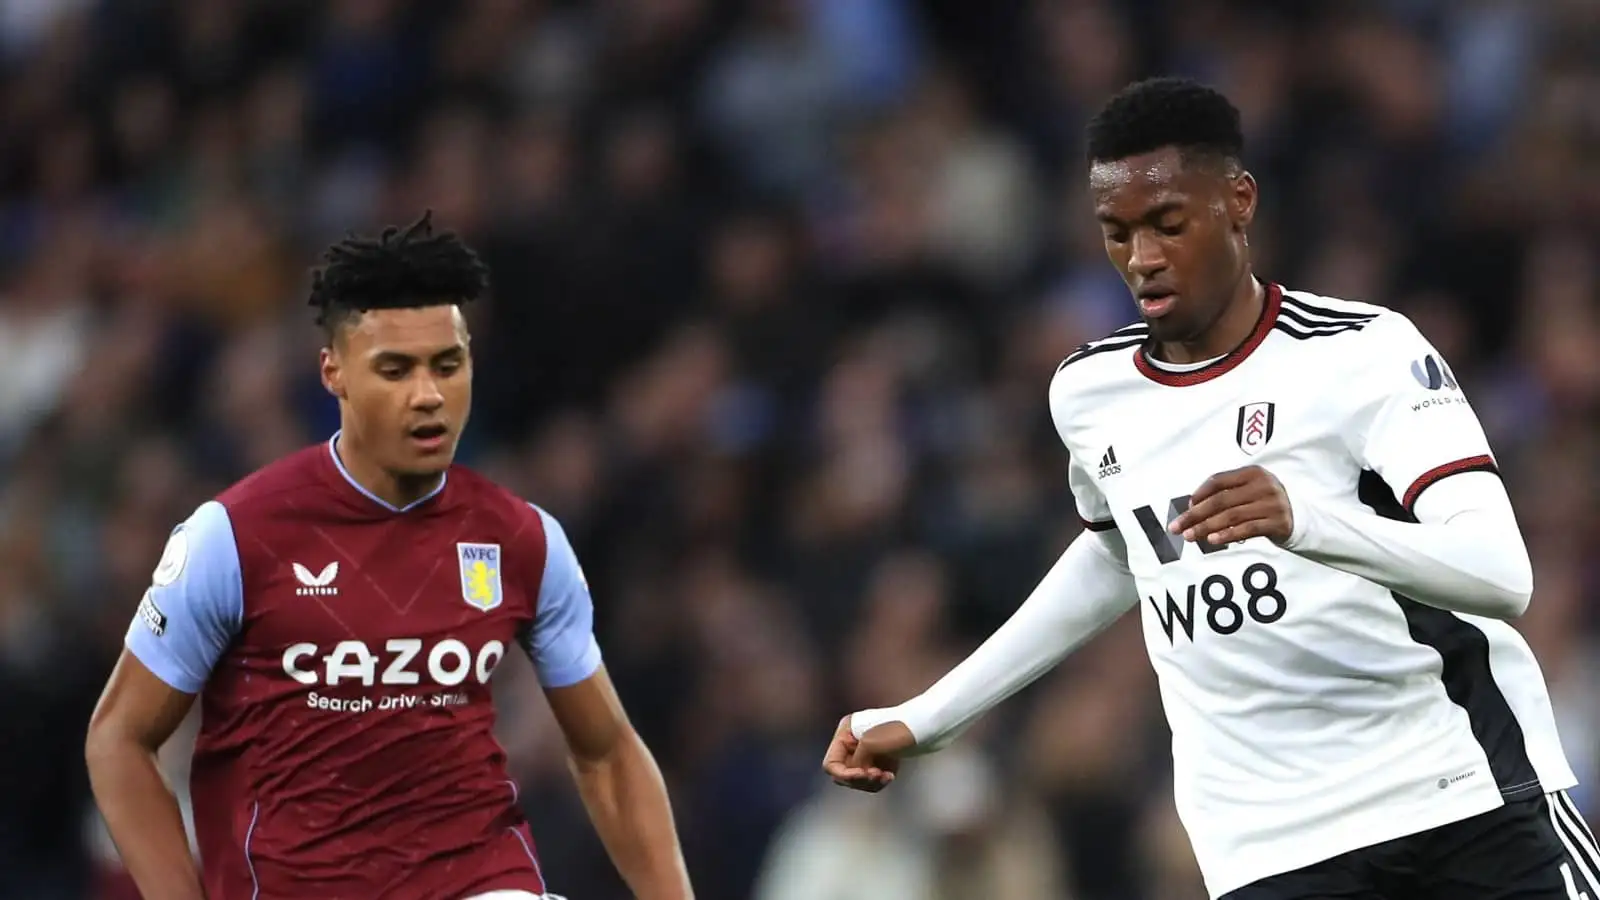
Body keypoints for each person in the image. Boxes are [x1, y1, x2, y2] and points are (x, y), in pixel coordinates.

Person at [822, 77, 1600, 900]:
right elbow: (1121, 553)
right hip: (1268, 845)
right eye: (1116, 234)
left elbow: (1500, 576)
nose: (1142, 259)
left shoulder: (1363, 354)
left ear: (1238, 202)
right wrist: (934, 716)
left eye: (1168, 224)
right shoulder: (1089, 393)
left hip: (1460, 794)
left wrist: (1306, 520)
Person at [84, 213, 694, 900]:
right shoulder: (232, 537)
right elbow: (119, 739)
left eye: (447, 365)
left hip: (478, 881)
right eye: (395, 370)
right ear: (333, 372)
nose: (428, 395)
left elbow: (607, 753)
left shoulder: (522, 539)